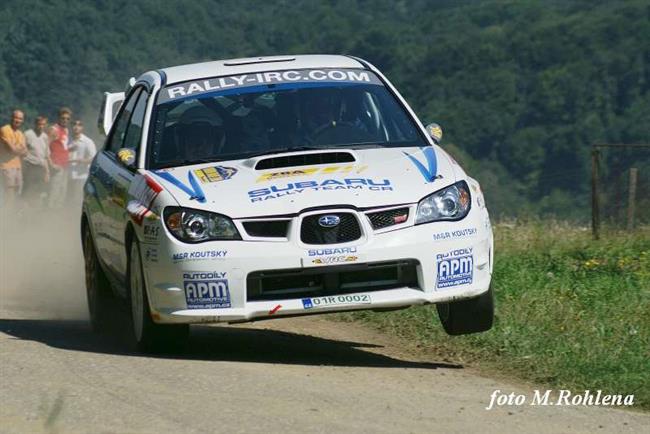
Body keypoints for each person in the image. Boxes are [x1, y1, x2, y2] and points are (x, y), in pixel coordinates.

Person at [0, 110, 27, 209]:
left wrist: (16, 149)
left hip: (17, 166)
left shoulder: (20, 133)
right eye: (16, 118)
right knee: (9, 193)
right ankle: (6, 216)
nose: (18, 120)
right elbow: (13, 150)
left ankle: (11, 214)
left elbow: (26, 152)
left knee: (17, 192)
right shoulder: (5, 130)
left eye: (20, 118)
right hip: (6, 167)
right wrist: (18, 149)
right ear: (11, 118)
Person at [48, 107, 74, 208]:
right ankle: (48, 214)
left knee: (62, 193)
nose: (65, 120)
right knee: (54, 192)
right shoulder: (54, 129)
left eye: (67, 119)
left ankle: (57, 215)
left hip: (65, 165)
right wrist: (51, 164)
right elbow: (46, 147)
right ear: (59, 118)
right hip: (56, 165)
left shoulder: (66, 130)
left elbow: (63, 146)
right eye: (63, 118)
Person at [23, 116, 52, 207]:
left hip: (40, 167)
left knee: (39, 190)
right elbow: (22, 150)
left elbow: (45, 156)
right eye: (39, 124)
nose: (41, 126)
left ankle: (34, 210)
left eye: (43, 124)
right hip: (29, 165)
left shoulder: (45, 137)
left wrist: (47, 172)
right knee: (28, 189)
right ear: (35, 124)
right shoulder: (28, 134)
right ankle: (24, 208)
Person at [68, 120, 96, 201]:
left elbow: (93, 159)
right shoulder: (67, 140)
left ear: (82, 127)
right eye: (74, 124)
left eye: (79, 125)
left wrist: (81, 160)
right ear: (71, 126)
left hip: (81, 176)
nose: (76, 127)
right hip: (68, 175)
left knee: (77, 199)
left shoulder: (88, 142)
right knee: (68, 199)